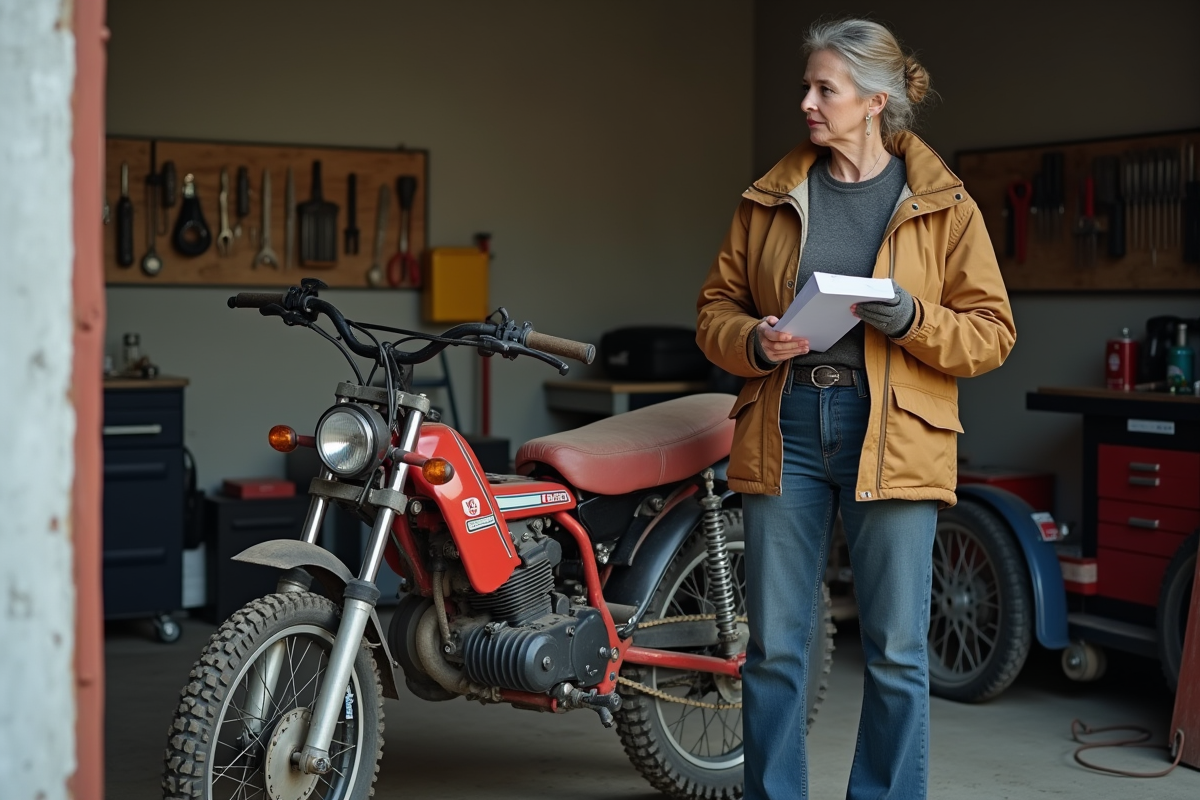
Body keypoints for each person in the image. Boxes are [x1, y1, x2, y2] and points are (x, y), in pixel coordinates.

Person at [695, 17, 1015, 800]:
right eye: (806, 86)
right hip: (787, 427)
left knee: (898, 650)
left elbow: (993, 334)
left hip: (897, 433)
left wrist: (912, 318)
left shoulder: (943, 204)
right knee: (774, 647)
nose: (806, 101)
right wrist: (754, 341)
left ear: (874, 101)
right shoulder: (771, 198)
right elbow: (714, 312)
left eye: (823, 89)